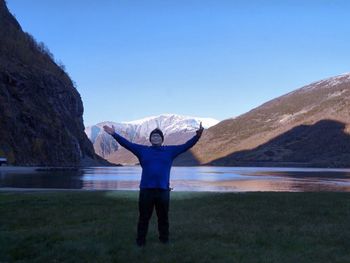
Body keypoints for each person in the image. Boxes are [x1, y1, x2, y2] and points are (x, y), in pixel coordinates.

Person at [103, 122, 204, 247]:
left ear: (162, 139)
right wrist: (114, 134)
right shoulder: (142, 150)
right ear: (150, 139)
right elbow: (127, 144)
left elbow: (186, 146)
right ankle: (140, 242)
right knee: (144, 218)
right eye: (153, 136)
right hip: (146, 190)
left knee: (163, 218)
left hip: (163, 191)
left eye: (158, 136)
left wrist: (197, 136)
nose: (156, 138)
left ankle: (164, 240)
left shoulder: (170, 151)